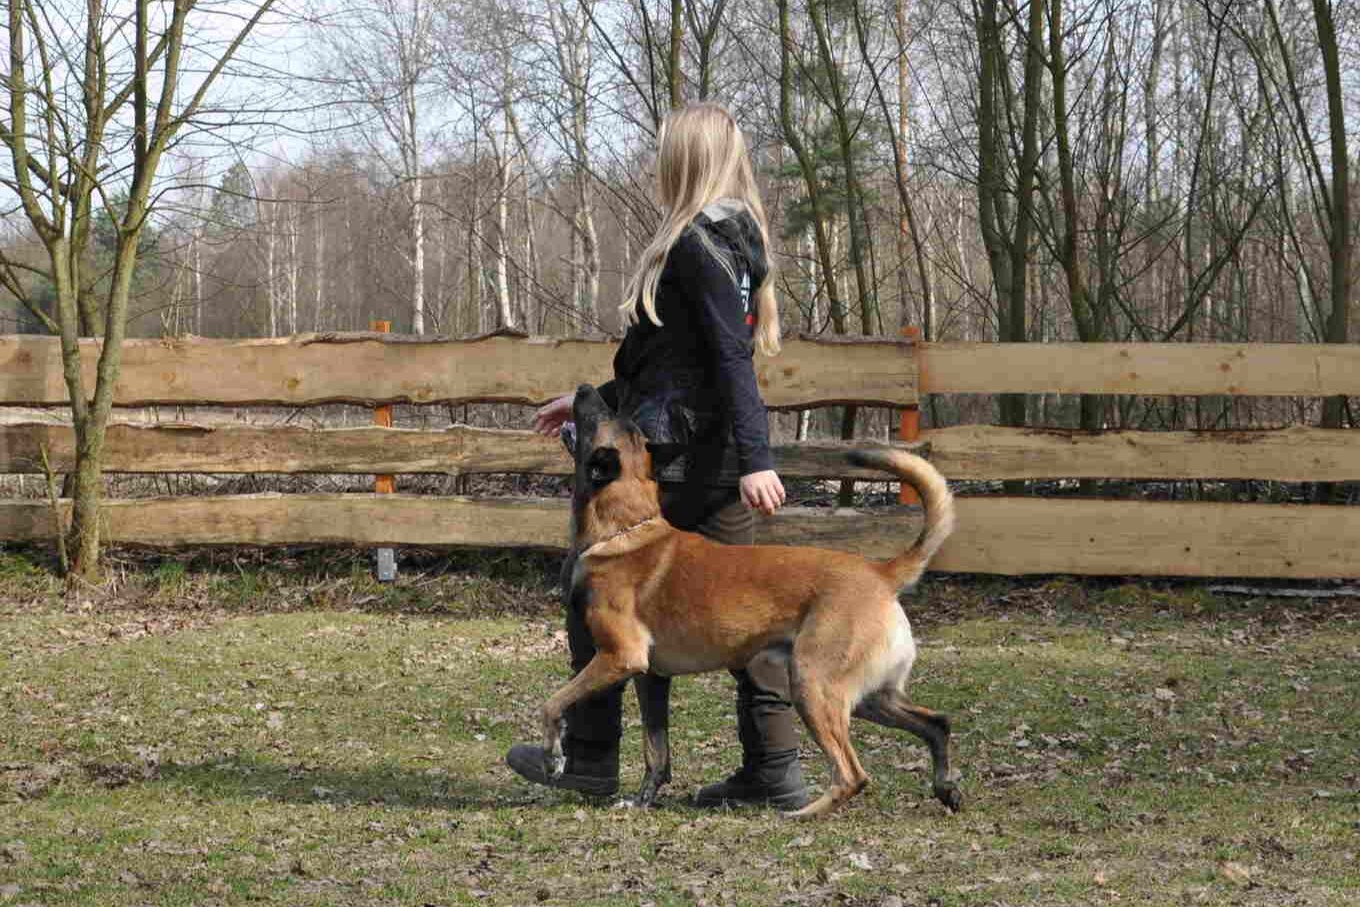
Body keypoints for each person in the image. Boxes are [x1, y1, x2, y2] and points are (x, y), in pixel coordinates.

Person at [504, 102, 806, 810]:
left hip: (669, 462)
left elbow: (729, 361)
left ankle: (589, 760)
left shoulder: (695, 246)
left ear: (685, 160)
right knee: (750, 613)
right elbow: (680, 361)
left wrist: (760, 459)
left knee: (592, 593)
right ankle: (775, 770)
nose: (654, 163)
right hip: (717, 459)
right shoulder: (741, 241)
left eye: (663, 151)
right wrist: (597, 399)